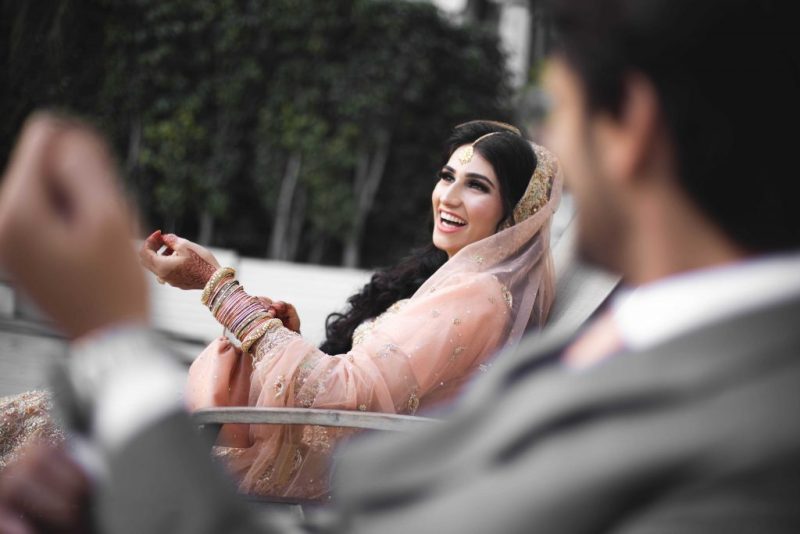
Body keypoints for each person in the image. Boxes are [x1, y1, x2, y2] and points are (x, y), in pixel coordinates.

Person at [1, 0, 800, 531]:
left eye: (552, 107)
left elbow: (337, 401)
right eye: (447, 175)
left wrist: (125, 336)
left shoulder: (740, 441)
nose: (449, 194)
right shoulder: (623, 349)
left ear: (632, 126)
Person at [135, 120, 560, 499]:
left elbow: (341, 393)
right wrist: (281, 337)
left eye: (477, 186)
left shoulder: (478, 295)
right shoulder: (461, 283)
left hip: (356, 472)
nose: (448, 197)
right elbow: (368, 385)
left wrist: (216, 286)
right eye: (447, 177)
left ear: (515, 214)